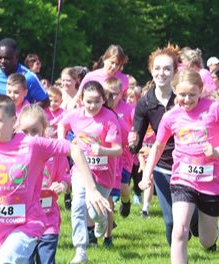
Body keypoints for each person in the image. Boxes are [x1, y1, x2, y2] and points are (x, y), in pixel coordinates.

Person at [0, 94, 110, 264]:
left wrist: (91, 189)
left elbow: (74, 149)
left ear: (13, 121)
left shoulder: (32, 144)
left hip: (27, 224)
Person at [141, 69, 219, 263]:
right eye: (182, 94)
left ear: (201, 91)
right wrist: (146, 175)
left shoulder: (214, 109)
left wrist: (216, 152)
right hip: (183, 179)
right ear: (175, 91)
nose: (187, 99)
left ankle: (211, 234)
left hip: (211, 181)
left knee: (206, 240)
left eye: (192, 94)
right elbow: (157, 147)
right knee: (179, 230)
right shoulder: (171, 117)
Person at [129, 44, 201, 245]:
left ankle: (201, 229)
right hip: (162, 167)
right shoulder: (145, 102)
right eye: (157, 68)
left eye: (167, 68)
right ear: (151, 70)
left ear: (175, 71)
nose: (162, 73)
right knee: (171, 222)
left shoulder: (184, 98)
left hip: (189, 165)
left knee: (193, 220)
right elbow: (138, 139)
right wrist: (133, 144)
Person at [59, 81, 123, 263]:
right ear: (81, 100)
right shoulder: (75, 116)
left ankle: (102, 222)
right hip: (81, 169)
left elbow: (118, 149)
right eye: (88, 101)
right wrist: (62, 141)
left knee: (95, 213)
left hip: (104, 174)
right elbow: (62, 125)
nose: (92, 105)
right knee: (78, 206)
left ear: (103, 100)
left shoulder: (110, 118)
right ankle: (80, 251)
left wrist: (103, 150)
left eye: (96, 101)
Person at [18, 105, 70, 264]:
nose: (30, 137)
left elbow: (66, 176)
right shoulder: (16, 151)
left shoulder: (54, 151)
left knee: (46, 260)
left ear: (44, 128)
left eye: (34, 131)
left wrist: (62, 185)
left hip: (48, 218)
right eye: (25, 132)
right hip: (24, 220)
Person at [104, 78, 136, 219]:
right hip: (107, 153)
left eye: (116, 94)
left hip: (124, 154)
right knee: (107, 187)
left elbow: (136, 128)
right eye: (109, 94)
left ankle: (126, 200)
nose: (112, 97)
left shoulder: (129, 109)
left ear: (122, 93)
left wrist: (134, 140)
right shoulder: (102, 108)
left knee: (124, 187)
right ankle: (107, 218)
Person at [0, 38, 50, 107]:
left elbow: (46, 101)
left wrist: (25, 112)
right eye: (0, 58)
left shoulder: (29, 77)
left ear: (16, 57)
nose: (3, 61)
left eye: (7, 58)